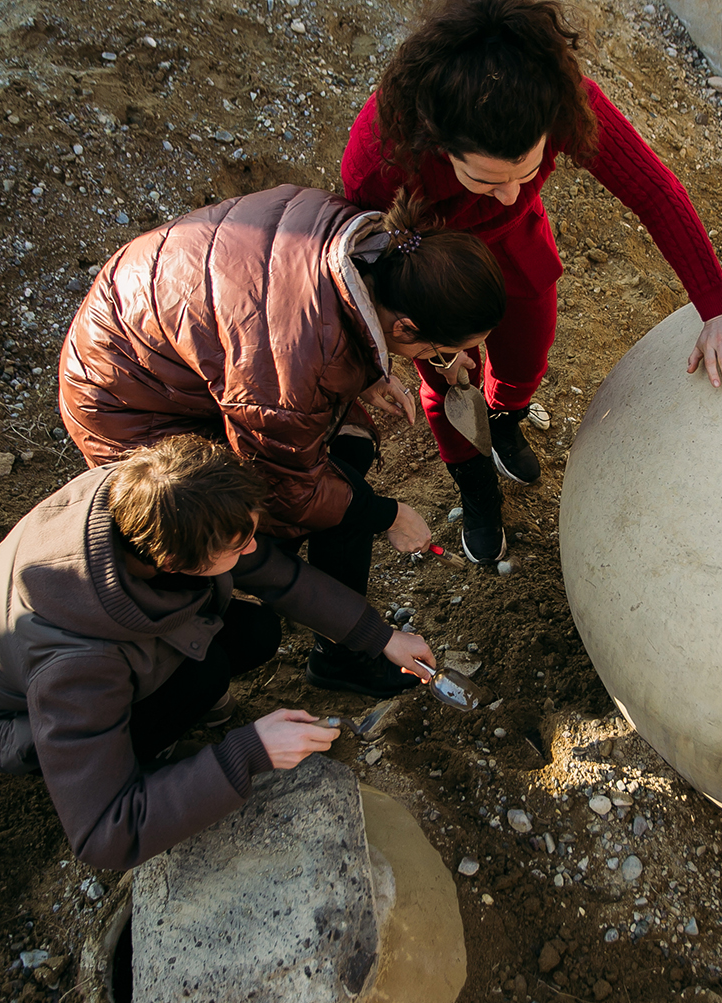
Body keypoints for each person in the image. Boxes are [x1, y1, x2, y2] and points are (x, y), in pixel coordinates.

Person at [341, 0, 722, 562]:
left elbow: (653, 191)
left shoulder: (560, 103)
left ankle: (506, 418)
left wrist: (717, 307)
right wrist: (423, 354)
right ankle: (476, 482)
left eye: (528, 171)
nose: (513, 190)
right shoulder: (381, 158)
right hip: (426, 271)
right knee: (449, 383)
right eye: (487, 179)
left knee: (528, 354)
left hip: (517, 245)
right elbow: (374, 271)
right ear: (439, 142)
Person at [60, 185, 505, 695]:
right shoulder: (298, 363)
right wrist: (387, 515)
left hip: (157, 348)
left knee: (349, 456)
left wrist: (372, 370)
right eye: (443, 350)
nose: (452, 362)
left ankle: (343, 633)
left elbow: (274, 339)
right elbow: (292, 485)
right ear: (404, 325)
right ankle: (345, 656)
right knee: (295, 513)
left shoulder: (359, 240)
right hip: (130, 411)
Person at [0, 435, 438, 870]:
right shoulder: (77, 666)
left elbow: (273, 573)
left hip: (69, 645)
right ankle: (151, 751)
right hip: (14, 721)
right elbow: (104, 833)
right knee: (206, 674)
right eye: (237, 544)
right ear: (176, 562)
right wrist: (245, 754)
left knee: (257, 631)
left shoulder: (147, 493)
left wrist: (380, 637)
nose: (251, 551)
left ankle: (177, 709)